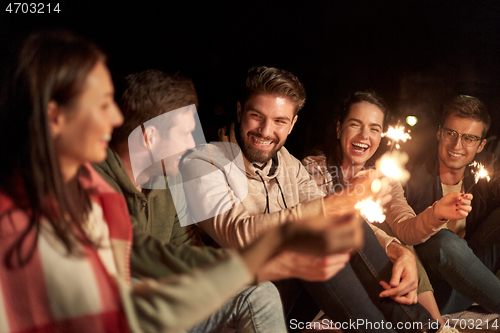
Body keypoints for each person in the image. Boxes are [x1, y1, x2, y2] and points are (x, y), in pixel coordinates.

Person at [0, 31, 364, 333]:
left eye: (281, 121)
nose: (114, 117)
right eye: (101, 103)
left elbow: (159, 253)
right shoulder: (56, 203)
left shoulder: (121, 192)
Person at [180, 66, 440, 332]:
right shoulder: (202, 163)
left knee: (347, 226)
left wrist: (396, 250)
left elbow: (336, 214)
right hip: (238, 303)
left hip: (291, 296)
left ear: (292, 124)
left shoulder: (288, 164)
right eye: (256, 116)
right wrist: (335, 205)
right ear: (239, 112)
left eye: (279, 121)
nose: (265, 130)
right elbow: (237, 234)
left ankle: (424, 328)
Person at [94, 69, 287, 332]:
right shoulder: (93, 184)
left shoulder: (167, 180)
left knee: (257, 293)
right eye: (184, 133)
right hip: (123, 312)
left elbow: (185, 247)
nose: (191, 143)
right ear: (149, 137)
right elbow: (129, 259)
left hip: (166, 301)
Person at [302, 90, 453, 325]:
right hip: (334, 279)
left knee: (401, 240)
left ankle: (433, 323)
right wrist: (396, 249)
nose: (364, 135)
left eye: (374, 128)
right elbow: (333, 223)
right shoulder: (315, 169)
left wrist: (436, 214)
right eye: (355, 124)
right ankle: (430, 325)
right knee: (390, 240)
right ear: (339, 127)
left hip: (382, 281)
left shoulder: (383, 175)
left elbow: (404, 226)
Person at [388, 95, 500, 315]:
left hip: (474, 280)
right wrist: (436, 215)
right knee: (444, 240)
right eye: (451, 133)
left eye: (469, 138)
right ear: (440, 133)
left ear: (480, 145)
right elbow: (403, 230)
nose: (457, 145)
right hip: (435, 291)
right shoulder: (410, 176)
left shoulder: (485, 170)